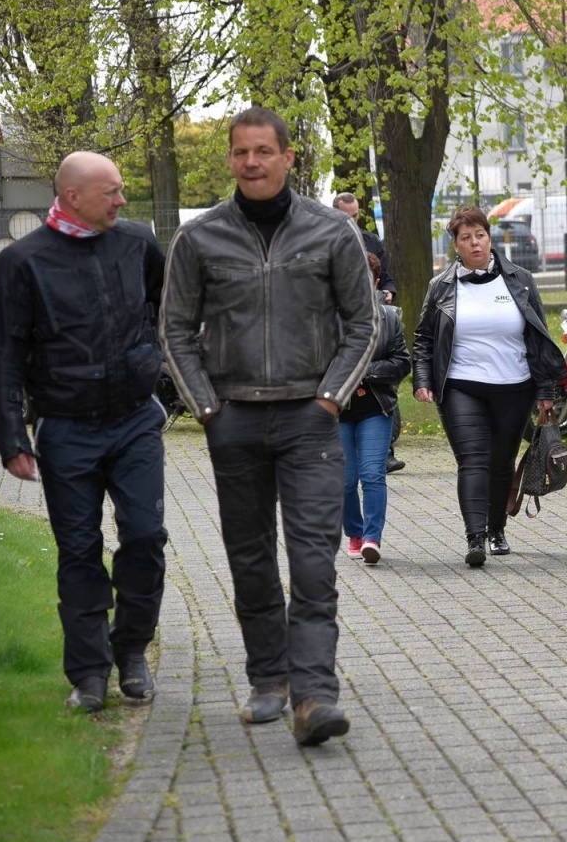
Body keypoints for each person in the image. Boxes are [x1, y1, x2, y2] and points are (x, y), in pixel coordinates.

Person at [161, 106, 378, 746]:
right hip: (234, 420)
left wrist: (331, 399)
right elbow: (173, 329)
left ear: (288, 157)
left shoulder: (332, 232)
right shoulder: (199, 239)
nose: (251, 162)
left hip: (310, 420)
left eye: (263, 151)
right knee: (251, 559)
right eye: (240, 152)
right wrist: (206, 410)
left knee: (313, 563)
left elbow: (363, 325)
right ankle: (267, 679)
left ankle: (314, 697)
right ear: (230, 160)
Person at [0, 152, 168, 713]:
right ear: (70, 197)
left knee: (143, 538)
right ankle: (88, 674)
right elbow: (2, 355)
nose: (121, 200)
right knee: (80, 550)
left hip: (135, 420)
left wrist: (150, 355)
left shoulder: (138, 244)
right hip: (66, 428)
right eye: (110, 191)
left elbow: (165, 304)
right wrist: (12, 438)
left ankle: (131, 651)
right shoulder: (22, 261)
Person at [413, 205, 565, 566]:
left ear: (489, 238)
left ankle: (497, 529)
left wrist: (545, 392)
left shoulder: (520, 280)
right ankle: (475, 538)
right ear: (456, 246)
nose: (475, 243)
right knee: (473, 460)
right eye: (466, 238)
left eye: (480, 235)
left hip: (514, 387)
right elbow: (423, 338)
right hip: (461, 385)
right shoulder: (441, 286)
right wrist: (422, 380)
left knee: (501, 462)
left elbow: (538, 338)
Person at [341, 252, 411, 565]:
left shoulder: (390, 318)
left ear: (375, 281)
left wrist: (367, 370)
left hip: (375, 407)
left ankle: (371, 538)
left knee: (372, 475)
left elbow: (402, 362)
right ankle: (354, 531)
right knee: (343, 480)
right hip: (338, 409)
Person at [333, 191, 406, 474]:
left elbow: (386, 276)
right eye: (345, 217)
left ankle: (384, 450)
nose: (351, 222)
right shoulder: (325, 241)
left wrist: (388, 291)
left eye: (355, 216)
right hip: (339, 315)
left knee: (382, 376)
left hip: (373, 314)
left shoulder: (372, 242)